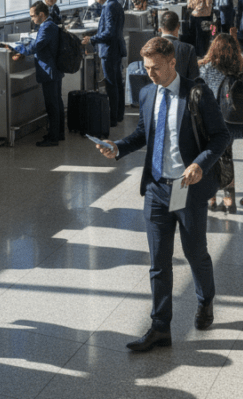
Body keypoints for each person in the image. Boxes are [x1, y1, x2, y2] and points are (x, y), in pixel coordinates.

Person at [95, 37, 231, 351]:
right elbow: (144, 134)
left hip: (185, 188)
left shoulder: (196, 94)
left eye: (156, 68)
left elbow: (221, 135)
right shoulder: (146, 93)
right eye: (146, 68)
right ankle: (160, 327)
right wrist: (118, 148)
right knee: (158, 262)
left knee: (195, 253)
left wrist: (199, 163)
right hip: (157, 188)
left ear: (171, 61)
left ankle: (205, 299)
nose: (151, 74)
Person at [198, 33, 243, 212]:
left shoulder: (204, 67)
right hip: (228, 120)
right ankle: (229, 200)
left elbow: (196, 91)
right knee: (226, 156)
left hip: (208, 119)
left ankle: (210, 199)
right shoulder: (237, 67)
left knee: (208, 157)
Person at [0, 1, 63, 147]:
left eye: (33, 16)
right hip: (54, 69)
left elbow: (36, 46)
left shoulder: (47, 27)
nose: (32, 19)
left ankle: (53, 137)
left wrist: (17, 48)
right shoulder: (50, 25)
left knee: (52, 104)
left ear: (41, 14)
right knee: (56, 102)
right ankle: (58, 133)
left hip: (49, 70)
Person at [83, 0, 127, 127]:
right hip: (116, 49)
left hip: (109, 50)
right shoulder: (115, 3)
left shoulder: (109, 7)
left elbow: (109, 32)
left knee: (111, 84)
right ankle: (119, 114)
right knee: (117, 83)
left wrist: (92, 39)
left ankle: (112, 118)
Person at [159, 11, 199, 81]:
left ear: (160, 28)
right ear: (178, 26)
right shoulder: (188, 49)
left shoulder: (149, 47)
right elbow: (194, 78)